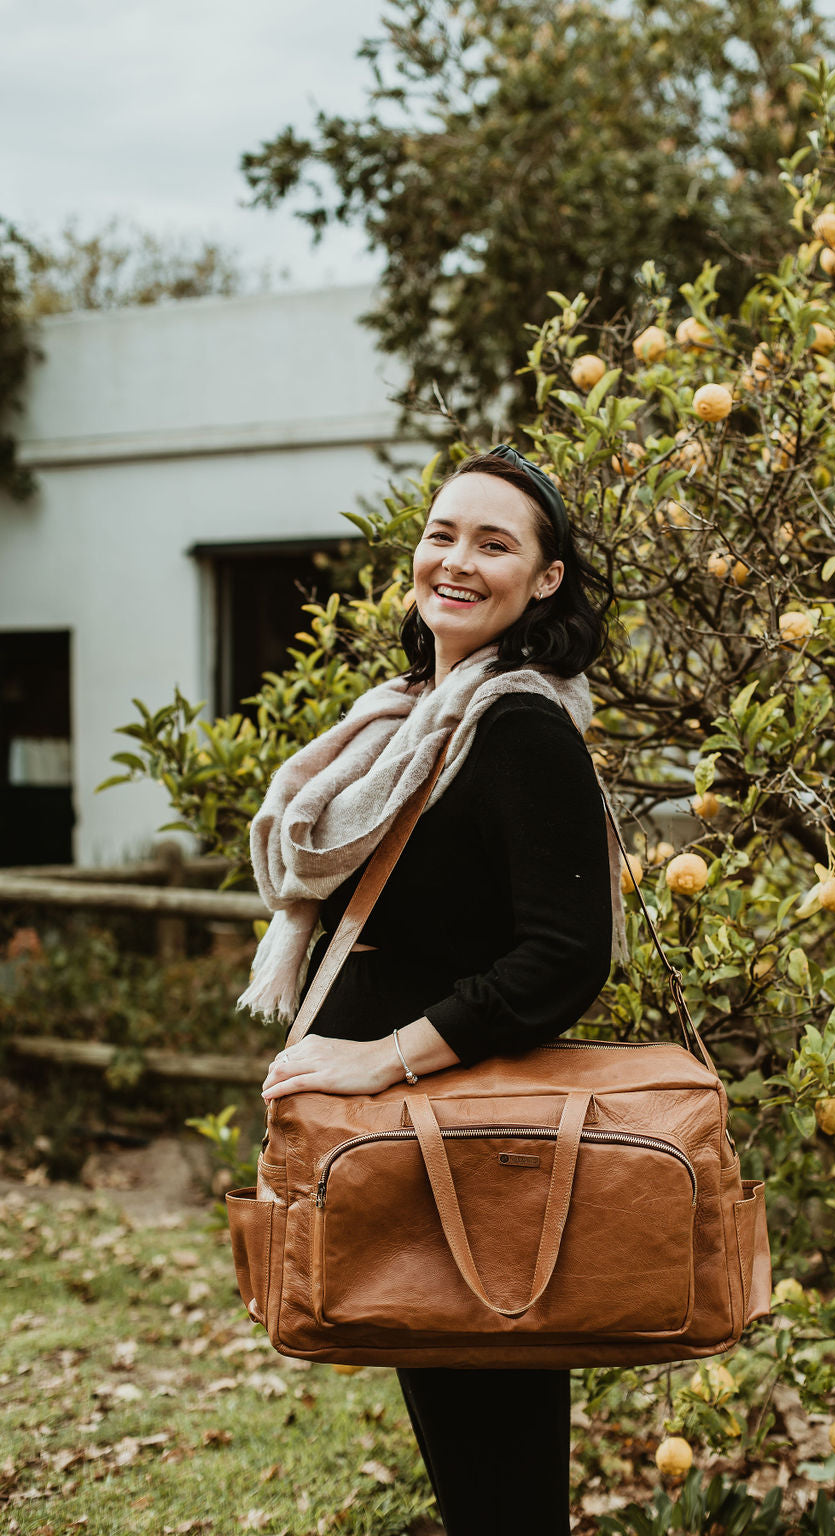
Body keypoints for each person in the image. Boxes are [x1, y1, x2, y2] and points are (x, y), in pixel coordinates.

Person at [244, 445, 621, 1536]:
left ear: (544, 581)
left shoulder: (515, 723)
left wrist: (375, 1056)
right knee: (474, 1476)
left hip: (473, 1153)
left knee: (499, 1484)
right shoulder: (421, 713)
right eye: (441, 534)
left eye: (494, 543)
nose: (455, 560)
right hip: (417, 1153)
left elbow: (564, 956)